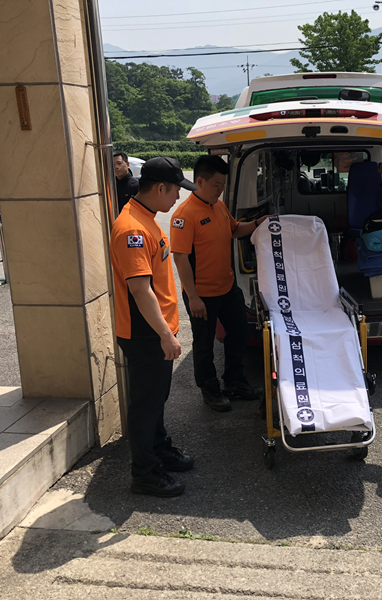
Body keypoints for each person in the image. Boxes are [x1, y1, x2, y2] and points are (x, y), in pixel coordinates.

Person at [110, 156, 197, 497]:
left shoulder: (145, 217)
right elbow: (140, 290)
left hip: (155, 331)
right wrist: (164, 335)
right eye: (176, 191)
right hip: (146, 333)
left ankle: (159, 450)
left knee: (156, 399)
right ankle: (145, 474)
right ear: (161, 188)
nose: (178, 197)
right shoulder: (133, 229)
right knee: (146, 405)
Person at [171, 155, 268, 412]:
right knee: (204, 345)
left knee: (239, 333)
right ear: (200, 181)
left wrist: (258, 224)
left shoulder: (219, 206)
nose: (220, 190)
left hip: (227, 287)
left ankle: (234, 382)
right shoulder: (184, 215)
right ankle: (209, 388)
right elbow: (180, 258)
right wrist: (193, 297)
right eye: (216, 185)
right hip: (202, 294)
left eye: (223, 185)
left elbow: (234, 230)